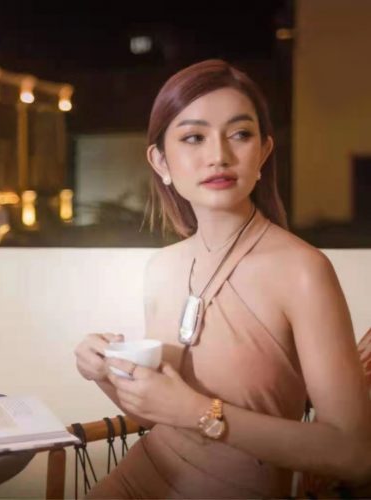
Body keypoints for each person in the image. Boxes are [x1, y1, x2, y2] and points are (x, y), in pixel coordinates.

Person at [73, 59, 371, 499]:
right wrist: (103, 371)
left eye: (240, 134)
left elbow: (353, 454)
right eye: (194, 137)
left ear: (263, 152)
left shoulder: (302, 271)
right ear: (160, 161)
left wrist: (196, 410)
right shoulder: (161, 267)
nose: (219, 156)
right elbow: (158, 416)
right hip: (135, 481)